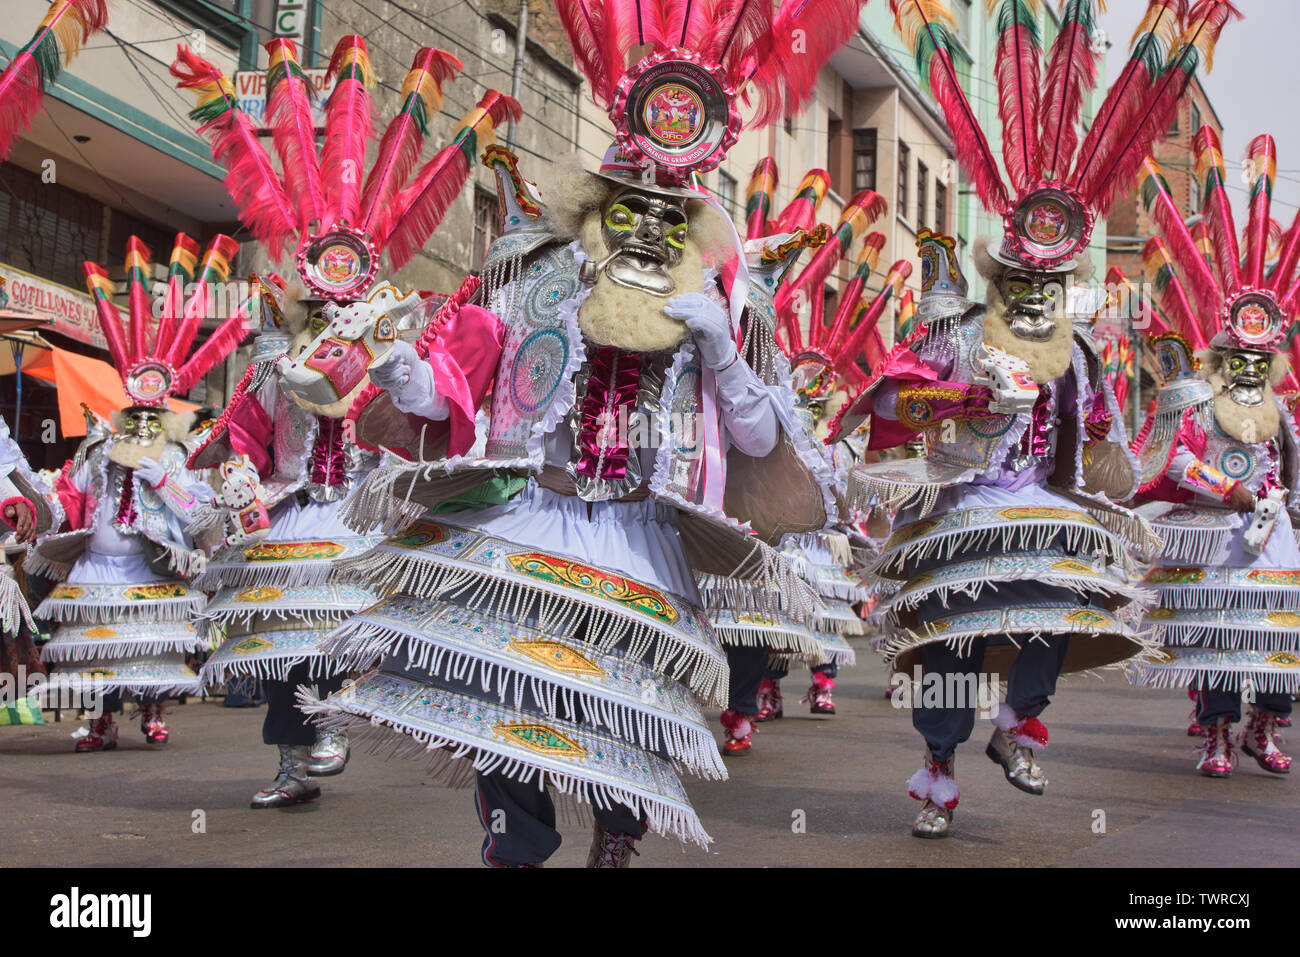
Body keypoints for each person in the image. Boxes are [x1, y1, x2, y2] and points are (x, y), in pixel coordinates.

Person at [294, 0, 875, 866]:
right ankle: (516, 846)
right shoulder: (529, 280)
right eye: (628, 209)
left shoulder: (720, 307)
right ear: (594, 207)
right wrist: (391, 362)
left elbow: (759, 445)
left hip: (639, 534)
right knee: (500, 685)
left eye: (668, 216)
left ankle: (617, 831)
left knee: (617, 700)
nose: (646, 229)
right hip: (529, 510)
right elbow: (447, 398)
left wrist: (720, 347)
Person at [831, 0, 1238, 837]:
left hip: (1042, 512)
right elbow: (894, 399)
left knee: (1062, 603)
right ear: (1001, 276)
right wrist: (968, 398)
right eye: (1020, 282)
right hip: (962, 509)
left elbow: (1107, 447)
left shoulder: (1084, 356)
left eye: (1047, 287)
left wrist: (1119, 442)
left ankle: (1017, 723)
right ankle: (938, 768)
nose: (1033, 298)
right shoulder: (954, 335)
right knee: (949, 646)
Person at [172, 35, 516, 806]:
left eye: (346, 289)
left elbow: (431, 408)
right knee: (281, 645)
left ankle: (339, 721)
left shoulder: (399, 338)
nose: (333, 302)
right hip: (296, 514)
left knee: (347, 631)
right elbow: (251, 435)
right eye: (321, 288)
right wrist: (234, 479)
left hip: (367, 513)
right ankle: (293, 761)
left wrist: (391, 358)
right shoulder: (274, 359)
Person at [1127, 127, 1300, 778]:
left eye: (1261, 356)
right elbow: (1171, 459)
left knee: (1280, 634)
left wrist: (1290, 507)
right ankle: (1218, 736)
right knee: (1224, 637)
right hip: (1219, 533)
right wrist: (1224, 489)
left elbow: (1296, 465)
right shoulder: (1199, 401)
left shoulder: (1281, 407)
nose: (1250, 365)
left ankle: (1262, 728)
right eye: (1240, 356)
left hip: (1273, 535)